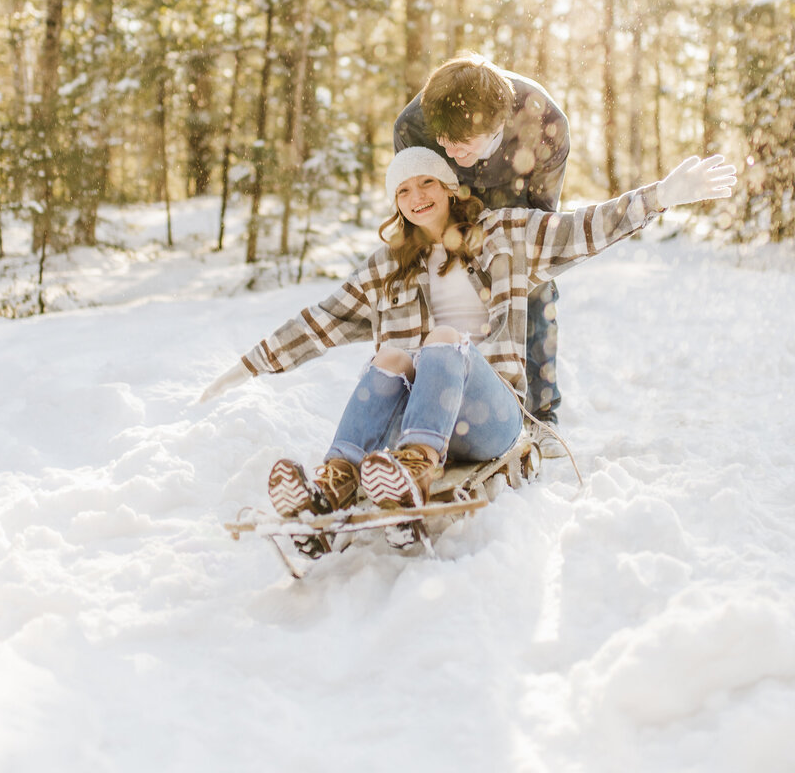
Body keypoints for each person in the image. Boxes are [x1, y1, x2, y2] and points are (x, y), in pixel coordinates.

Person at [199, 146, 735, 557]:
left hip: (491, 419)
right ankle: (333, 483)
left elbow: (582, 229)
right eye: (403, 190)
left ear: (450, 187)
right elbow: (320, 321)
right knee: (389, 357)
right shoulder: (388, 267)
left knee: (442, 339)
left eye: (426, 182)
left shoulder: (504, 235)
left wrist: (659, 197)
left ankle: (413, 473)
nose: (416, 197)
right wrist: (243, 369)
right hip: (415, 423)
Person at [394, 55, 569, 424]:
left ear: (498, 126)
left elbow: (542, 219)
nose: (453, 151)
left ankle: (539, 410)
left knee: (531, 286)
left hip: (519, 192)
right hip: (451, 198)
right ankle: (433, 395)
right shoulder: (413, 127)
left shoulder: (546, 123)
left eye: (463, 144)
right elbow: (416, 201)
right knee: (441, 283)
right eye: (445, 143)